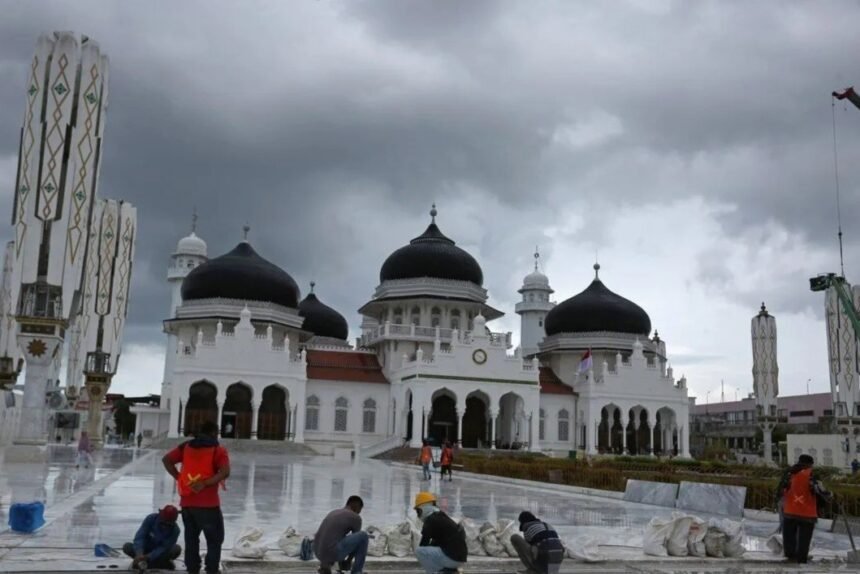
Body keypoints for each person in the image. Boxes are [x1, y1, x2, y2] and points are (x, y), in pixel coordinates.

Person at [162, 420, 230, 574]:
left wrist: (179, 477)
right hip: (209, 505)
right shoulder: (217, 449)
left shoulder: (186, 446)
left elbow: (166, 460)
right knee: (214, 540)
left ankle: (193, 569)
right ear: (214, 433)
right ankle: (211, 569)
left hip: (188, 504)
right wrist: (205, 483)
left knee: (191, 539)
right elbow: (225, 472)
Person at [776, 454, 832, 564]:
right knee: (804, 541)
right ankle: (801, 564)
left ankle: (789, 562)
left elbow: (780, 490)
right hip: (807, 514)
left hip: (790, 512)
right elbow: (821, 491)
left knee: (789, 540)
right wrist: (829, 496)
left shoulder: (789, 472)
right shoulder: (812, 474)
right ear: (810, 464)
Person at [413, 491, 467, 574]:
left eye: (418, 511)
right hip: (460, 558)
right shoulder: (440, 516)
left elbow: (423, 544)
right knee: (430, 550)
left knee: (420, 551)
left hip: (452, 558)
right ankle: (450, 571)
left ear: (423, 508)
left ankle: (437, 572)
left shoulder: (430, 520)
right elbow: (438, 541)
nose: (418, 514)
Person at [313, 495, 368, 574]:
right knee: (363, 536)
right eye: (360, 510)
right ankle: (357, 571)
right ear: (356, 506)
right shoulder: (355, 517)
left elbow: (330, 537)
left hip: (317, 552)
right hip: (331, 552)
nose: (359, 512)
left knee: (334, 539)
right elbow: (357, 545)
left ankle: (324, 566)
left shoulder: (334, 512)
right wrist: (348, 561)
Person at [122, 505, 182, 570]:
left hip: (160, 554)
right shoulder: (150, 518)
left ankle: (148, 563)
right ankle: (157, 564)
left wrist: (148, 557)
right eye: (163, 523)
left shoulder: (175, 530)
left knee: (176, 549)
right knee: (127, 546)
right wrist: (139, 553)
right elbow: (140, 537)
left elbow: (164, 547)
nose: (165, 526)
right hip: (144, 550)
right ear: (160, 516)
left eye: (169, 524)